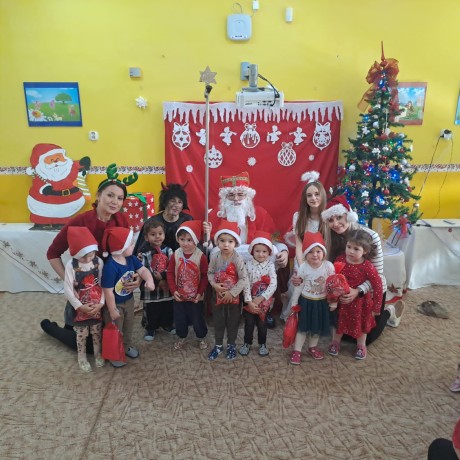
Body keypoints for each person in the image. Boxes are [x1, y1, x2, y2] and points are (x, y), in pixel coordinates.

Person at [41, 167, 137, 351]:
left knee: (108, 339)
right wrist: (72, 283)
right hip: (86, 291)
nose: (114, 201)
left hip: (110, 290)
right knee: (88, 346)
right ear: (98, 195)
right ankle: (51, 328)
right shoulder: (80, 221)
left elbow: (127, 254)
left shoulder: (122, 221)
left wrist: (136, 277)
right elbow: (52, 253)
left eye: (119, 198)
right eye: (110, 195)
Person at [204, 171, 289, 326]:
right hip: (228, 255)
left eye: (240, 195)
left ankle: (263, 307)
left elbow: (275, 238)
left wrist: (283, 251)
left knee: (273, 253)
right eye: (231, 195)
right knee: (216, 253)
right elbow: (209, 246)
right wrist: (207, 238)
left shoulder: (260, 213)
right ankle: (228, 308)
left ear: (247, 196)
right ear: (225, 198)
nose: (236, 199)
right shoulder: (216, 215)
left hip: (254, 255)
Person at [321, 194, 398, 345]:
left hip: (369, 290)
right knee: (343, 333)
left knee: (366, 337)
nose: (335, 223)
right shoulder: (330, 238)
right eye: (330, 220)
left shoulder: (370, 236)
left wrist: (358, 291)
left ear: (348, 215)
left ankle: (389, 311)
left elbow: (377, 276)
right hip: (345, 291)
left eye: (339, 217)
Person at [101, 226, 155, 367]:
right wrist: (112, 309)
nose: (133, 246)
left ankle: (126, 346)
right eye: (130, 244)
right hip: (116, 304)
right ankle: (113, 354)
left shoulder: (131, 259)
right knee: (115, 329)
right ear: (121, 247)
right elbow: (107, 291)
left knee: (128, 326)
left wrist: (149, 280)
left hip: (129, 300)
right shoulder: (110, 267)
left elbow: (143, 270)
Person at [281, 171, 330, 320]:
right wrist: (301, 265)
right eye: (309, 195)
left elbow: (328, 244)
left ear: (322, 195)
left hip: (321, 259)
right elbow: (299, 244)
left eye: (316, 194)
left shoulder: (327, 217)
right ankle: (293, 315)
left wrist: (321, 265)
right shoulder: (299, 217)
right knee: (298, 283)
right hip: (303, 258)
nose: (313, 198)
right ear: (305, 198)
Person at [328, 229, 383, 360]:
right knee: (338, 323)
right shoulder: (340, 259)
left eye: (356, 249)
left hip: (361, 303)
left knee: (362, 324)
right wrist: (332, 298)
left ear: (365, 251)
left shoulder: (367, 266)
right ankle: (335, 342)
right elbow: (333, 278)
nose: (351, 251)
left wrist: (376, 307)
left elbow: (378, 285)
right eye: (349, 247)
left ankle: (361, 345)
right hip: (342, 301)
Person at [288, 232, 335, 365]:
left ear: (323, 253)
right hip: (306, 302)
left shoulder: (328, 267)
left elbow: (333, 286)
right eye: (310, 252)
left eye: (318, 251)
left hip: (321, 303)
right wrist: (294, 302)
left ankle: (312, 347)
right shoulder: (303, 267)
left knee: (317, 327)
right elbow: (299, 286)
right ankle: (297, 350)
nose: (315, 255)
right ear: (305, 255)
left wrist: (333, 302)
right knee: (302, 328)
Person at [63, 226, 105, 372]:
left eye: (90, 255)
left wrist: (101, 303)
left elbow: (103, 283)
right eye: (83, 257)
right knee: (81, 335)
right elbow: (68, 288)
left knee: (96, 332)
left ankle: (98, 354)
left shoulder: (98, 262)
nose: (87, 259)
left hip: (96, 306)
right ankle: (82, 357)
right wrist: (79, 306)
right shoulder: (71, 265)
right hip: (80, 307)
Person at [207, 220, 250, 361]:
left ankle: (231, 345)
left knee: (233, 322)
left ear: (235, 243)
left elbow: (243, 278)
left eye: (230, 241)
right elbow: (210, 273)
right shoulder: (215, 257)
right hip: (217, 296)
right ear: (217, 242)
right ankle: (218, 345)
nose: (226, 244)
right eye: (222, 241)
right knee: (218, 321)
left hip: (233, 299)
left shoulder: (237, 259)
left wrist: (232, 293)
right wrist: (214, 285)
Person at [166, 220, 209, 351]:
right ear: (177, 239)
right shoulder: (175, 255)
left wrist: (200, 293)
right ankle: (181, 337)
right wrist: (173, 290)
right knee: (180, 319)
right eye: (182, 239)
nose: (185, 243)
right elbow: (170, 273)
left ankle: (201, 337)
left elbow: (205, 276)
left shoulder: (200, 257)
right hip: (179, 296)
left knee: (197, 319)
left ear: (196, 240)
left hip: (196, 297)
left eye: (189, 240)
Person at [240, 231, 277, 357]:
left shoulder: (270, 265)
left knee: (262, 324)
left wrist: (261, 298)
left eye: (264, 251)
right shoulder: (248, 264)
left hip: (264, 302)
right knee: (249, 323)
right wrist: (249, 301)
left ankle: (262, 344)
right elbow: (245, 283)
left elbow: (273, 284)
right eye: (257, 251)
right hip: (250, 301)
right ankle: (247, 343)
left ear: (269, 252)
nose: (261, 254)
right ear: (252, 251)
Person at [139, 219, 175, 341]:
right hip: (151, 287)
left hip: (166, 286)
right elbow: (143, 268)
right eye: (153, 234)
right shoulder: (144, 252)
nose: (157, 237)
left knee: (167, 307)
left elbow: (172, 266)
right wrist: (154, 278)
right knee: (152, 309)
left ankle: (167, 324)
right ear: (146, 237)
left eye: (160, 233)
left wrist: (163, 276)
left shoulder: (168, 250)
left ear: (164, 235)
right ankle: (151, 328)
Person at [135, 182, 193, 254]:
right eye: (172, 201)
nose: (176, 205)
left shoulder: (188, 221)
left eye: (180, 202)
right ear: (165, 202)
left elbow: (196, 247)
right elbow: (141, 250)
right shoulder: (152, 222)